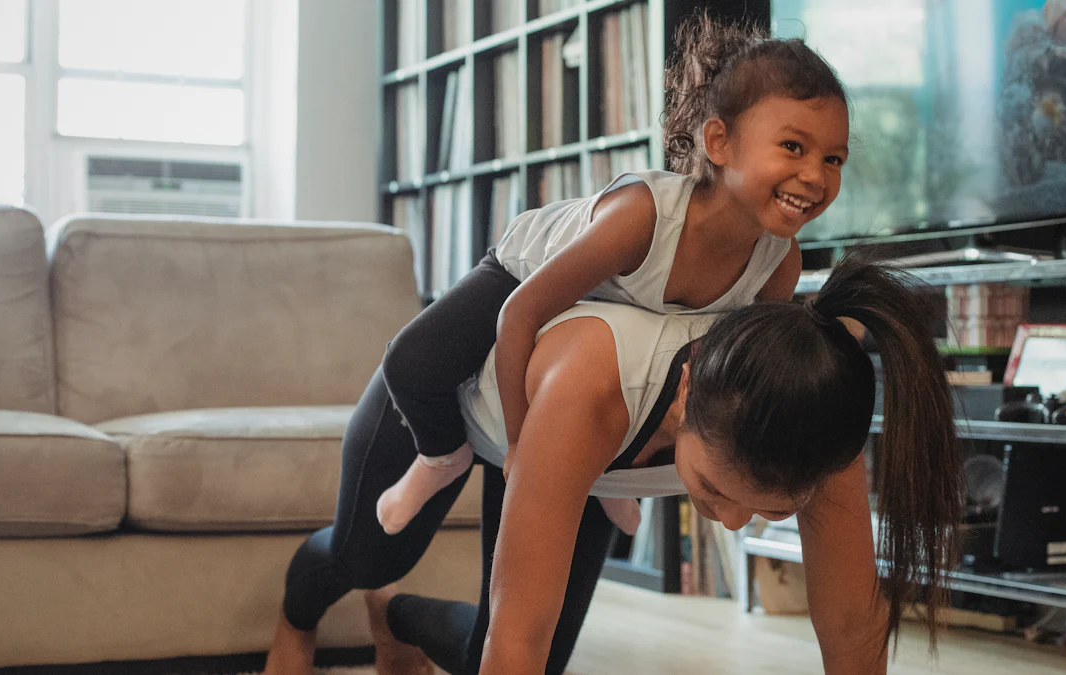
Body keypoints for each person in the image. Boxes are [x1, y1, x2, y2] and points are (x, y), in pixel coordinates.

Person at [262, 253, 963, 675]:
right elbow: (518, 634)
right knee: (366, 555)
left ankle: (396, 619)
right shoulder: (596, 388)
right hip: (443, 407)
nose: (740, 520)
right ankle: (298, 617)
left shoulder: (812, 413)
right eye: (716, 489)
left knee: (532, 658)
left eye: (773, 508)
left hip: (575, 461)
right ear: (686, 394)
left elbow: (848, 623)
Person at [374, 11, 853, 537]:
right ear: (719, 143)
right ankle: (440, 459)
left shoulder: (778, 262)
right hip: (520, 273)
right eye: (793, 147)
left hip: (620, 324)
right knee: (409, 363)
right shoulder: (643, 218)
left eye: (834, 158)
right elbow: (519, 314)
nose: (815, 175)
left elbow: (732, 377)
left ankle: (606, 489)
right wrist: (519, 447)